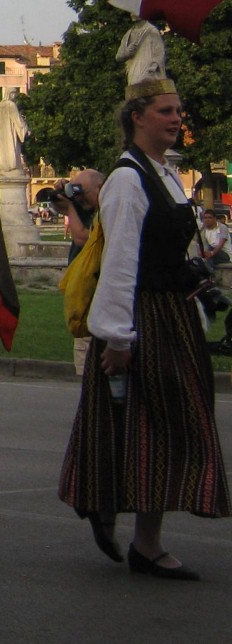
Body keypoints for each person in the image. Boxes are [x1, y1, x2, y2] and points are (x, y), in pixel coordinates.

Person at [59, 74, 229, 580]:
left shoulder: (162, 173)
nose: (177, 119)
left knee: (163, 426)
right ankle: (125, 523)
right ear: (137, 117)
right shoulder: (129, 179)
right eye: (165, 111)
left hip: (170, 313)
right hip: (144, 317)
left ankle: (139, 534)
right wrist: (116, 334)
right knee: (151, 426)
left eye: (178, 111)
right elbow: (120, 263)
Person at [53, 169, 105, 375]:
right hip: (84, 304)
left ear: (101, 188)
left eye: (82, 192)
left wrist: (70, 207)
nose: (79, 197)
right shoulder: (89, 209)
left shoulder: (106, 213)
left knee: (91, 373)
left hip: (94, 300)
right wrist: (67, 199)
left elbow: (82, 238)